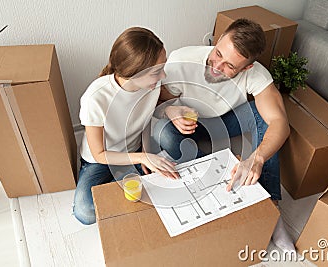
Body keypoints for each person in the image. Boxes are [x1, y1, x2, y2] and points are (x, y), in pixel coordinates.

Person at [152, 19, 294, 251]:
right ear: (218, 41)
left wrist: (256, 158)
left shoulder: (256, 74)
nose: (216, 66)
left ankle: (271, 208)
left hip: (225, 120)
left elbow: (280, 123)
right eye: (218, 53)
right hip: (189, 122)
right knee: (166, 135)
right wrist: (171, 110)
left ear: (246, 67)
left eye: (230, 66)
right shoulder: (182, 60)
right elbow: (156, 102)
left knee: (265, 121)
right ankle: (209, 184)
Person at [73, 27, 178, 225]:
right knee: (85, 212)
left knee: (163, 183)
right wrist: (142, 157)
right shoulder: (96, 97)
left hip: (135, 152)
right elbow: (99, 154)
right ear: (134, 73)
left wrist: (147, 150)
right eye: (157, 71)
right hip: (100, 161)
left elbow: (144, 122)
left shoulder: (150, 86)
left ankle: (128, 179)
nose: (163, 76)